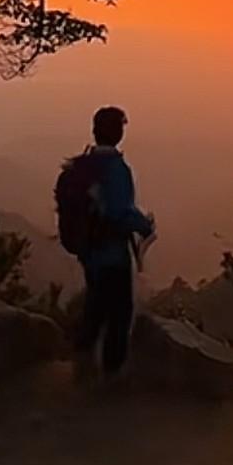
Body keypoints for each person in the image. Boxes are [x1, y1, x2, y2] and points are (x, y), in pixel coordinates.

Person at [72, 105, 155, 377]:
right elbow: (120, 212)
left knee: (95, 305)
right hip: (112, 251)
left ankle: (83, 366)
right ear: (118, 132)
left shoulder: (84, 165)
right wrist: (144, 225)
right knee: (120, 311)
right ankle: (112, 372)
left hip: (88, 250)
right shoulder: (116, 168)